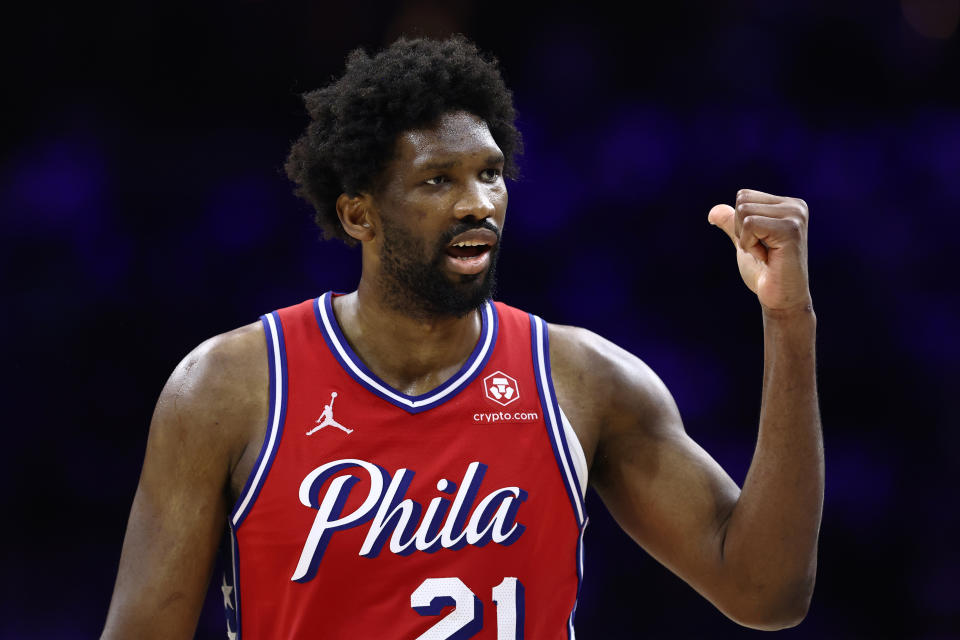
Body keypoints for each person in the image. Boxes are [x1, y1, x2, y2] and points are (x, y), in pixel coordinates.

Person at [101, 35, 823, 639]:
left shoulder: (582, 380)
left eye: (489, 173)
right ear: (359, 214)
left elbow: (766, 592)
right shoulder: (230, 388)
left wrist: (788, 323)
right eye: (438, 180)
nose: (477, 202)